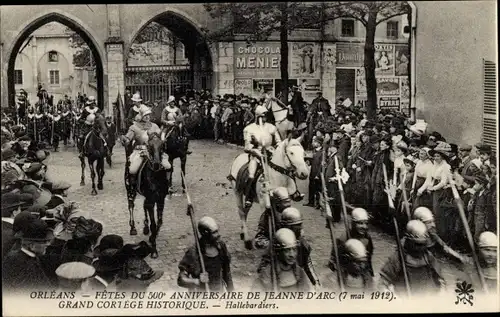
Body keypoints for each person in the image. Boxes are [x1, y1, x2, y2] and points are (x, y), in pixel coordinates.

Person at [379, 220, 445, 297]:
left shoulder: (428, 256)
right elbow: (382, 284)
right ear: (409, 241)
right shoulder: (398, 258)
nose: (420, 248)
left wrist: (442, 293)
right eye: (417, 244)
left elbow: (440, 280)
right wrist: (393, 299)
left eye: (423, 244)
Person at [178, 217, 234, 292]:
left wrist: (232, 292)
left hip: (219, 291)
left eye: (217, 231)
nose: (218, 235)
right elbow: (181, 280)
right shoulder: (194, 252)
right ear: (205, 233)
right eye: (214, 232)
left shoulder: (221, 246)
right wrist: (197, 281)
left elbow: (227, 272)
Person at [121, 104, 171, 187]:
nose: (147, 117)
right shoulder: (134, 127)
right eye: (145, 115)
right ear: (140, 116)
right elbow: (128, 138)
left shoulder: (154, 126)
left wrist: (164, 133)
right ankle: (132, 187)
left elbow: (160, 136)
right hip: (141, 151)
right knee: (133, 170)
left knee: (167, 165)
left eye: (148, 115)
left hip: (155, 152)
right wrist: (125, 140)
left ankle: (168, 184)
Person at [242, 105, 282, 208]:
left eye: (266, 116)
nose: (265, 118)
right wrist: (255, 152)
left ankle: (293, 191)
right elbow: (247, 147)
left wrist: (275, 148)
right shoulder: (249, 128)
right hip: (256, 155)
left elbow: (278, 141)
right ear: (257, 116)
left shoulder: (271, 127)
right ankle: (249, 197)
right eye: (263, 116)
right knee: (251, 175)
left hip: (270, 154)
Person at [2, 217, 56, 292]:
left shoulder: (21, 256)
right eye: (44, 242)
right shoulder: (23, 265)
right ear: (31, 246)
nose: (48, 244)